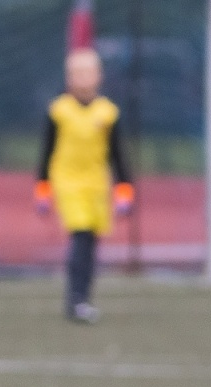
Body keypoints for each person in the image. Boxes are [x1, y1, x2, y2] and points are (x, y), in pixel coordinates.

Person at [34, 48, 134, 324]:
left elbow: (117, 156)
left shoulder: (107, 113)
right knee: (80, 236)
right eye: (78, 73)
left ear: (99, 76)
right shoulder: (59, 111)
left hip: (96, 184)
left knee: (91, 241)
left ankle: (84, 297)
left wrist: (124, 189)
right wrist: (42, 188)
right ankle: (75, 298)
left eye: (89, 72)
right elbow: (46, 152)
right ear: (69, 77)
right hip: (68, 182)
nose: (84, 78)